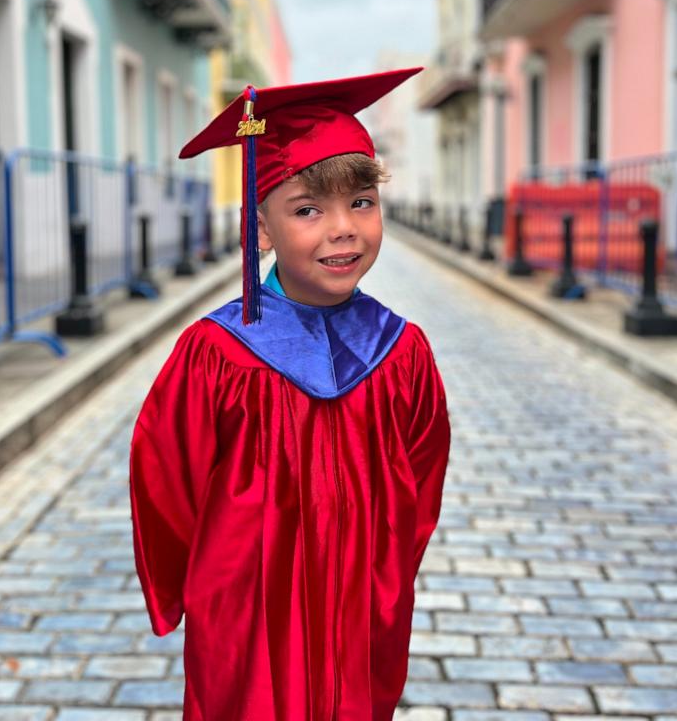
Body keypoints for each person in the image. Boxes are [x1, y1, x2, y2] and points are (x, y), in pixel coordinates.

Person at [129, 67, 452, 721]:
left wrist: (383, 574)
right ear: (263, 227)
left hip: (361, 613)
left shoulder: (403, 351)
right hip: (245, 613)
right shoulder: (216, 354)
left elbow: (422, 483)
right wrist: (206, 585)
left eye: (361, 201)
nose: (343, 229)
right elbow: (164, 481)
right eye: (308, 209)